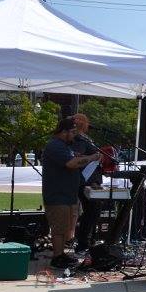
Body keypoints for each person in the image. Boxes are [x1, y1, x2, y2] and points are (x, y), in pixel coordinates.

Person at [42, 118, 100, 269]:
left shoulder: (64, 146)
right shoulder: (55, 145)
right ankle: (57, 257)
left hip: (66, 194)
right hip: (57, 194)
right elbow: (71, 163)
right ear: (63, 131)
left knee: (64, 227)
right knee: (59, 228)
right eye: (73, 132)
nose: (75, 135)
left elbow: (73, 159)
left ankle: (61, 254)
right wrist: (91, 158)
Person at [70, 113, 102, 253]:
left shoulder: (85, 138)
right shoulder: (78, 139)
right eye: (86, 121)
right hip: (85, 180)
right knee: (91, 211)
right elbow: (77, 156)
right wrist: (94, 156)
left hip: (92, 179)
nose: (88, 124)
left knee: (93, 211)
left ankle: (87, 240)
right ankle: (83, 242)